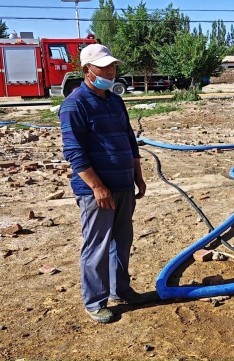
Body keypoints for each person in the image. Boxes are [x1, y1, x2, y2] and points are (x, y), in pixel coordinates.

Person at [59, 44, 147, 323]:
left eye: (112, 67)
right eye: (104, 67)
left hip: (123, 185)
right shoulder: (75, 104)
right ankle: (95, 301)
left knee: (122, 241)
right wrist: (97, 186)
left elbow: (129, 139)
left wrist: (138, 175)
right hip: (97, 191)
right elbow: (74, 152)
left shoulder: (114, 100)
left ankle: (121, 290)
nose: (110, 72)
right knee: (97, 245)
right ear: (87, 71)